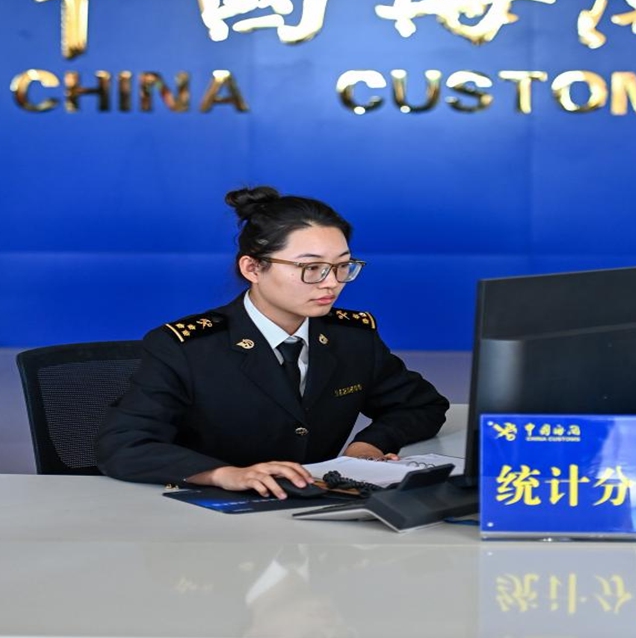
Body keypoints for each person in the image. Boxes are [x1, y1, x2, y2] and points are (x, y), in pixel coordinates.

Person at [96, 185, 449, 498]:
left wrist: (366, 446)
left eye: (343, 266)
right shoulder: (188, 347)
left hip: (314, 515)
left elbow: (421, 405)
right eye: (310, 268)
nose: (331, 283)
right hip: (208, 524)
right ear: (252, 269)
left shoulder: (351, 337)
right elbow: (124, 444)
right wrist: (224, 475)